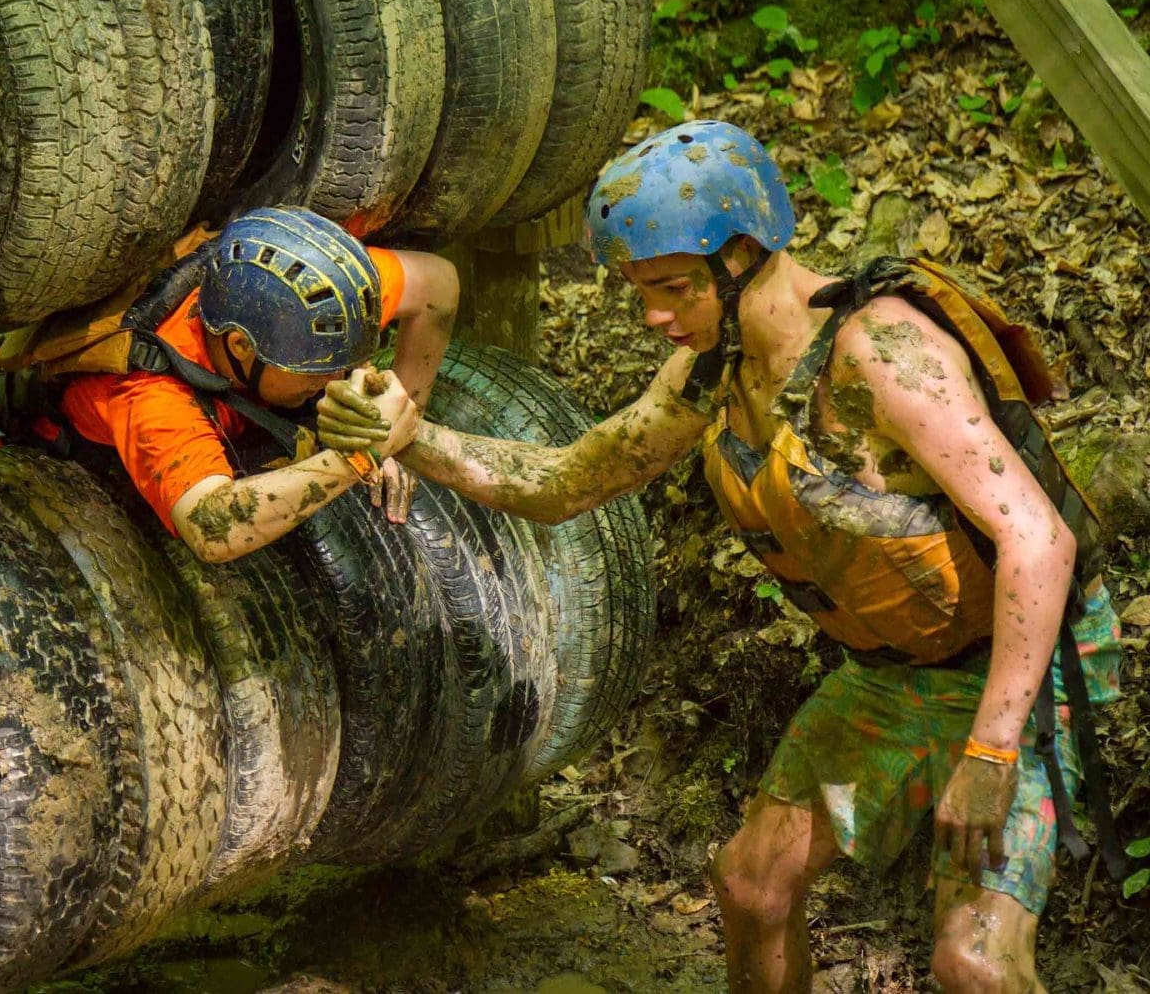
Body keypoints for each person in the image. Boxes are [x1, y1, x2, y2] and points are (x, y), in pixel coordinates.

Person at [317, 120, 1123, 992]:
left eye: (670, 289)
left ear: (742, 257)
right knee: (751, 884)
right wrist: (413, 435)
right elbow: (562, 482)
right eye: (638, 292)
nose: (654, 317)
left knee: (974, 965)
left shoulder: (883, 356)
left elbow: (1039, 541)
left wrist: (993, 753)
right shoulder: (713, 372)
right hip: (890, 674)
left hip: (1020, 673)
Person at [0, 206, 455, 563]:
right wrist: (359, 455)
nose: (337, 381)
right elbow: (212, 528)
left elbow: (438, 285)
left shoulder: (314, 296)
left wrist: (402, 410)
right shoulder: (154, 397)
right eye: (318, 369)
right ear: (241, 347)